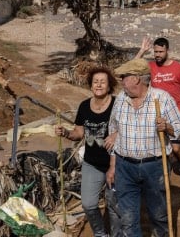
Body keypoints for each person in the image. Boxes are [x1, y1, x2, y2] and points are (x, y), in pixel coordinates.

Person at [107, 58, 180, 237]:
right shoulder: (120, 99)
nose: (121, 81)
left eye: (124, 77)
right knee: (128, 219)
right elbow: (114, 132)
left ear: (136, 79)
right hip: (124, 166)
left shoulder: (162, 99)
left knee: (159, 215)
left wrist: (167, 127)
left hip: (155, 167)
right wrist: (113, 165)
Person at [54, 66, 121, 237]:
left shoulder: (117, 104)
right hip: (92, 163)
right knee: (89, 204)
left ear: (109, 85)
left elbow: (129, 126)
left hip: (117, 163)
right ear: (91, 85)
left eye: (102, 82)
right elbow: (79, 133)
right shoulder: (84, 106)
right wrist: (66, 133)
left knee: (114, 206)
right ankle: (100, 233)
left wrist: (116, 134)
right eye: (95, 82)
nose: (98, 85)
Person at [136, 36, 180, 186]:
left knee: (177, 147)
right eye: (155, 52)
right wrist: (142, 51)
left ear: (167, 50)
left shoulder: (179, 68)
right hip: (156, 115)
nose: (157, 55)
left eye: (161, 52)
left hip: (176, 114)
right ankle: (161, 175)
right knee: (159, 147)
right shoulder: (150, 67)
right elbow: (132, 68)